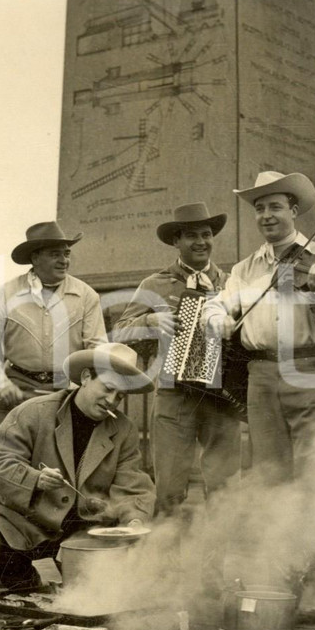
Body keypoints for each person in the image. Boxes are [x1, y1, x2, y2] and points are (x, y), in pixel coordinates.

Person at [203, 171, 315, 623]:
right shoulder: (246, 269)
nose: (266, 215)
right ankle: (279, 575)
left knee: (312, 479)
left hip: (311, 367)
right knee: (270, 479)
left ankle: (312, 581)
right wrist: (217, 318)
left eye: (275, 206)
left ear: (294, 210)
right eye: (260, 208)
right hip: (262, 372)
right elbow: (220, 304)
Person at [112, 202, 241, 589]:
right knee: (169, 486)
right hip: (175, 394)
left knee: (223, 486)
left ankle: (213, 573)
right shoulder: (155, 284)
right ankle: (166, 573)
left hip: (221, 396)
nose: (201, 242)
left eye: (206, 235)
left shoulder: (232, 281)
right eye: (192, 235)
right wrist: (151, 321)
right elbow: (119, 332)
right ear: (177, 241)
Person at [0, 343, 156, 589]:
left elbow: (131, 484)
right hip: (26, 519)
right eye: (109, 389)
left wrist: (134, 522)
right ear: (87, 377)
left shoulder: (124, 430)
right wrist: (35, 479)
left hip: (85, 527)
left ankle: (77, 581)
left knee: (93, 588)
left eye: (120, 396)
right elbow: (0, 462)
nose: (112, 401)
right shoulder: (33, 411)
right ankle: (26, 581)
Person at [0, 221, 107, 424]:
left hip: (68, 394)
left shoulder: (86, 296)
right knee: (13, 454)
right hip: (17, 391)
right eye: (55, 254)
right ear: (35, 257)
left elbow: (97, 348)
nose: (64, 260)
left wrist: (83, 388)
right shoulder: (4, 295)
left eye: (66, 254)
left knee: (61, 454)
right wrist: (1, 384)